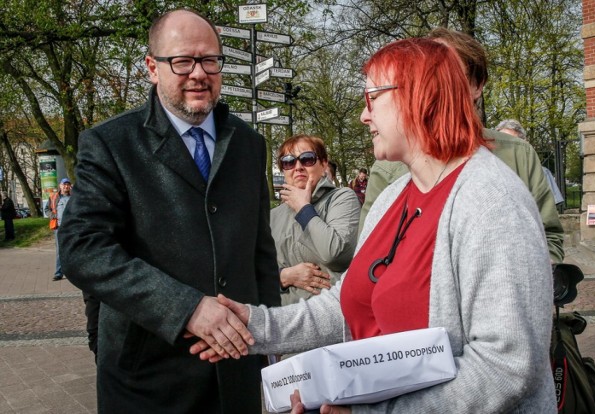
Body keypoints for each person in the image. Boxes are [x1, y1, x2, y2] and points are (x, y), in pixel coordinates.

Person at [195, 38, 555, 413]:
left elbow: (507, 367)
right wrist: (252, 325)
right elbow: (345, 304)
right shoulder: (393, 196)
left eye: (372, 99)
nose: (363, 116)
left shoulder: (491, 200)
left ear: (418, 97)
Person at [58, 9, 280, 413]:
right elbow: (82, 248)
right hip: (148, 382)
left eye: (210, 60)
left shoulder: (249, 144)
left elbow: (260, 257)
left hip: (236, 377)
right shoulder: (110, 144)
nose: (199, 73)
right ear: (151, 67)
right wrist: (186, 308)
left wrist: (276, 345)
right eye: (182, 61)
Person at [360, 27, 565, 263]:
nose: (440, 86)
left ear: (477, 85)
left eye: (452, 74)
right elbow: (367, 254)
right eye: (430, 76)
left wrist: (532, 276)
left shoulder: (515, 156)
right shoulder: (390, 167)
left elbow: (548, 237)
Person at [273, 135, 360, 305]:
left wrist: (304, 209)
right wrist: (283, 275)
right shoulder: (273, 215)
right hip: (281, 316)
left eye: (307, 159)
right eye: (289, 162)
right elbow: (254, 270)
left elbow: (334, 253)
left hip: (327, 312)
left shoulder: (342, 198)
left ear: (323, 164)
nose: (298, 167)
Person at [496, 119, 565, 205]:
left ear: (523, 144)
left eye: (511, 141)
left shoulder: (541, 174)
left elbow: (549, 213)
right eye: (502, 141)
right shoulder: (489, 174)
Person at [45, 178, 72, 281]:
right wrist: (52, 215)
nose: (66, 186)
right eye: (64, 184)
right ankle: (58, 273)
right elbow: (47, 209)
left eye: (67, 185)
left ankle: (73, 272)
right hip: (58, 227)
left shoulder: (75, 197)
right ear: (60, 186)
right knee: (60, 250)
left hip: (72, 227)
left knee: (73, 249)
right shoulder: (53, 197)